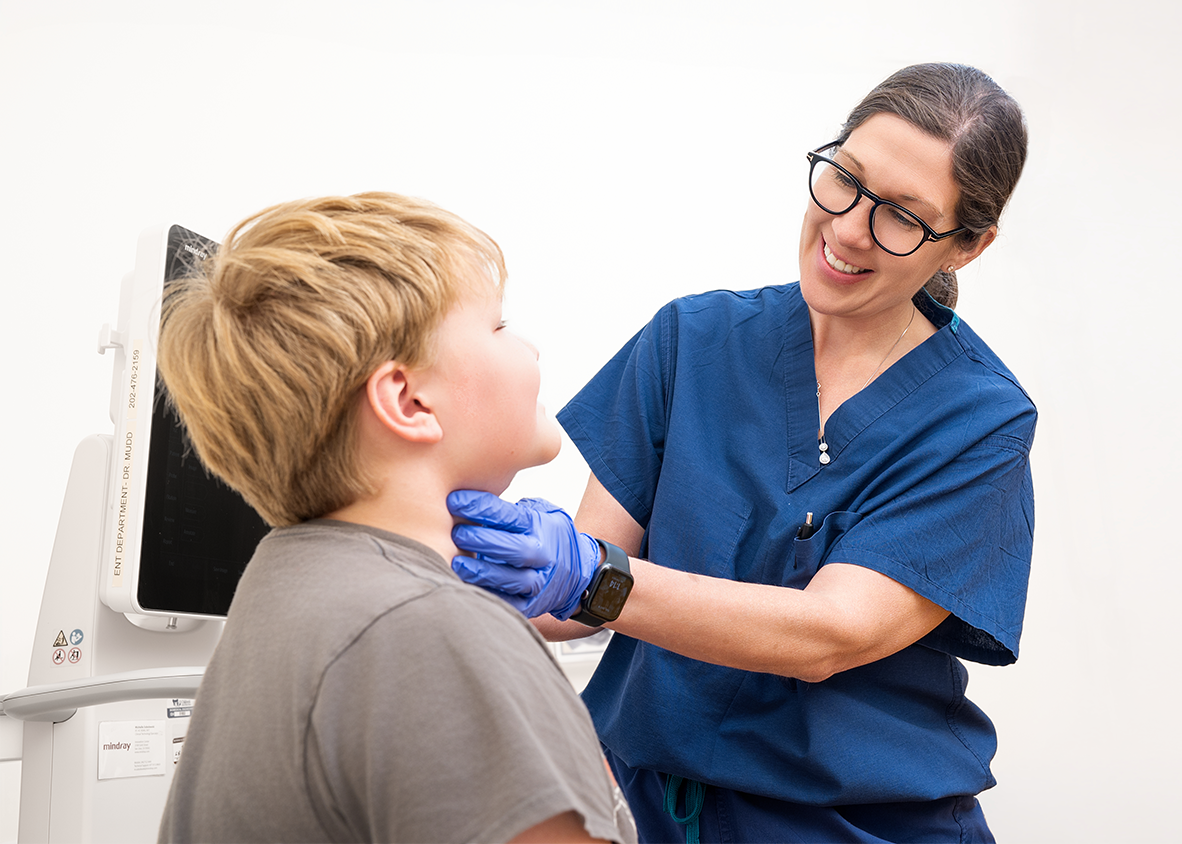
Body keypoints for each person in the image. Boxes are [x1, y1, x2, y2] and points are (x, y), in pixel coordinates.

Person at [450, 62, 1034, 844]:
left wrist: (592, 577)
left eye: (901, 216)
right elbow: (565, 609)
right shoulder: (692, 341)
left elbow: (828, 636)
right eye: (846, 180)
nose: (850, 228)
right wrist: (462, 552)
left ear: (966, 247)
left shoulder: (978, 421)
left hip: (851, 825)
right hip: (648, 810)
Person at [154, 193, 636, 844]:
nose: (532, 349)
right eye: (498, 326)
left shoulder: (292, 582)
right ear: (409, 401)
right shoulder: (431, 628)